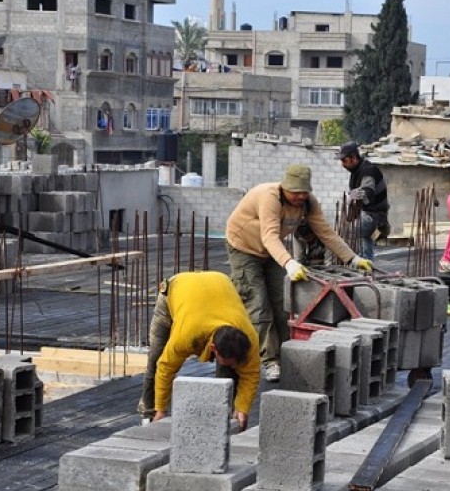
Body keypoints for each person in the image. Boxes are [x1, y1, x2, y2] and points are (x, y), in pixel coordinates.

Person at [225, 164, 373, 382]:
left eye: (304, 192)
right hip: (243, 247)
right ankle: (270, 360)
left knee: (283, 302)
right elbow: (269, 236)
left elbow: (326, 233)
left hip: (269, 251)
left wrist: (352, 257)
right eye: (296, 192)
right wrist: (290, 263)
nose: (300, 196)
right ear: (285, 188)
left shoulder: (308, 203)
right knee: (258, 305)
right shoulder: (270, 197)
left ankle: (287, 352)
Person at [137, 271, 260, 430]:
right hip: (178, 288)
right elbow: (165, 368)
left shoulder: (249, 337)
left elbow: (251, 374)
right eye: (228, 362)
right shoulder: (186, 335)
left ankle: (225, 420)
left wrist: (242, 408)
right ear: (214, 348)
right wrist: (161, 409)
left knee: (230, 374)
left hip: (218, 284)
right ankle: (149, 414)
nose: (233, 365)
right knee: (156, 359)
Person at [337, 141, 391, 261]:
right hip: (366, 214)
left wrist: (352, 196)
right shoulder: (356, 172)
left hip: (375, 216)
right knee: (363, 240)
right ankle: (366, 264)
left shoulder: (368, 171)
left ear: (354, 158)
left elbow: (367, 192)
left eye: (344, 160)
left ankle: (357, 262)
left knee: (347, 232)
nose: (342, 164)